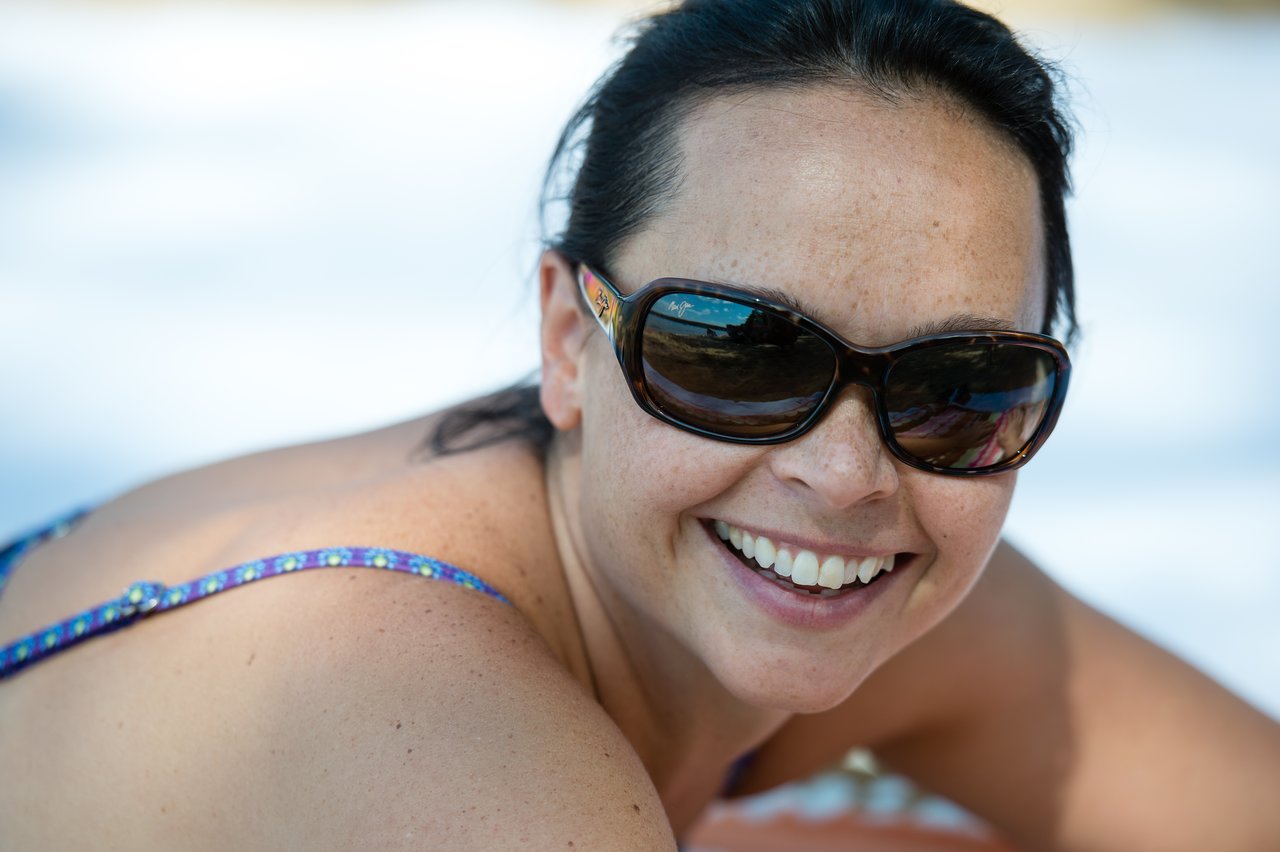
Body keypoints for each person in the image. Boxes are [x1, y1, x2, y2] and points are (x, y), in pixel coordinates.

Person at [1, 0, 1276, 848]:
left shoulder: (872, 574)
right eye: (733, 351)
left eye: (961, 385)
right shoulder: (446, 746)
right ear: (570, 342)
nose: (845, 473)